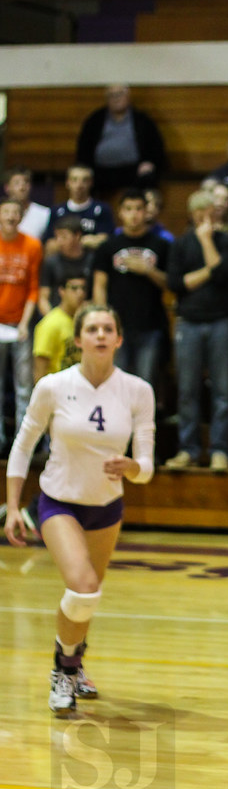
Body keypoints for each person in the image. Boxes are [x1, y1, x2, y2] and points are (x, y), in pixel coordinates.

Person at [4, 302, 155, 715]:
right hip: (58, 502)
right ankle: (63, 670)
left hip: (107, 507)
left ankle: (76, 662)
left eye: (109, 328)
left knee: (87, 597)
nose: (101, 335)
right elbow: (23, 445)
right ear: (78, 340)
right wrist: (13, 506)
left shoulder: (138, 390)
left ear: (119, 339)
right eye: (93, 329)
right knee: (83, 586)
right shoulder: (53, 386)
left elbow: (147, 468)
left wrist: (132, 467)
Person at [165, 190, 228, 470]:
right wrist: (210, 270)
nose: (204, 216)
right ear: (191, 214)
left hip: (221, 320)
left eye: (209, 210)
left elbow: (224, 276)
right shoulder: (180, 245)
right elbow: (176, 284)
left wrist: (207, 241)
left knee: (222, 390)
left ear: (217, 213)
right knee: (187, 390)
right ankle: (188, 449)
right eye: (198, 212)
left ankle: (219, 449)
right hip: (189, 322)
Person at [92, 189, 170, 390]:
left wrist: (148, 270)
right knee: (115, 383)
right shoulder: (108, 246)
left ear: (146, 212)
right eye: (128, 209)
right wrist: (103, 319)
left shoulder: (162, 245)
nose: (134, 214)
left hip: (150, 325)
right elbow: (99, 285)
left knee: (146, 384)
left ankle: (144, 423)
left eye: (138, 209)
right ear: (120, 212)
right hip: (117, 327)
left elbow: (170, 283)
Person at [0, 199, 42, 453]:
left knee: (24, 385)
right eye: (6, 212)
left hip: (21, 324)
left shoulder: (32, 245)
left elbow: (33, 289)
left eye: (16, 213)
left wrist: (25, 323)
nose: (11, 217)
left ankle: (21, 440)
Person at [75, 84, 166, 196]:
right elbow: (84, 147)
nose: (116, 98)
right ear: (106, 99)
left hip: (133, 168)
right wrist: (86, 167)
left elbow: (156, 146)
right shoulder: (95, 120)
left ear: (128, 97)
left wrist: (149, 162)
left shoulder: (142, 120)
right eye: (111, 95)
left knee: (148, 177)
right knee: (84, 178)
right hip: (101, 170)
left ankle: (139, 209)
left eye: (119, 94)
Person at [44, 165, 115, 252]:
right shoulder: (57, 211)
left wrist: (68, 242)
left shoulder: (102, 209)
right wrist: (85, 241)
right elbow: (50, 245)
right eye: (74, 180)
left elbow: (106, 241)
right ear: (67, 183)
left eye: (84, 180)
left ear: (91, 183)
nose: (79, 185)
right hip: (63, 262)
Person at [33, 271, 87, 381]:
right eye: (74, 288)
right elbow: (39, 370)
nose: (80, 293)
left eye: (83, 288)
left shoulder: (86, 322)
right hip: (57, 389)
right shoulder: (50, 324)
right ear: (62, 291)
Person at [38, 215, 93, 317]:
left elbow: (95, 295)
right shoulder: (51, 262)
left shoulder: (92, 261)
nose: (59, 241)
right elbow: (43, 298)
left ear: (77, 236)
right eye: (57, 237)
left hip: (84, 316)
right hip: (56, 315)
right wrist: (54, 319)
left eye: (63, 237)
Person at [3, 166, 51, 241]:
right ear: (7, 187)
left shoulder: (45, 214)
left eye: (26, 182)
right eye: (17, 183)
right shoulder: (1, 213)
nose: (22, 187)